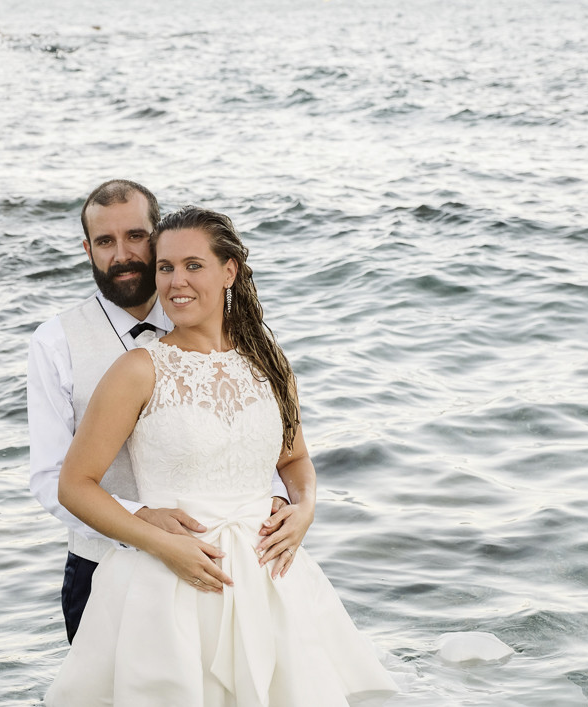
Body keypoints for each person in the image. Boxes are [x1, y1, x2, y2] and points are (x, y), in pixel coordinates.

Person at [45, 206, 398, 705]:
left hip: (271, 583)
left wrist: (304, 509)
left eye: (194, 265)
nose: (176, 282)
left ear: (228, 271)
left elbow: (294, 460)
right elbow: (74, 485)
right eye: (165, 267)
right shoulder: (138, 369)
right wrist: (162, 545)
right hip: (172, 586)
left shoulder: (269, 363)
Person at [27, 181, 306, 644]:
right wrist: (142, 520)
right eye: (105, 241)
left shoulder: (236, 339)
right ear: (88, 249)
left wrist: (283, 504)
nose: (122, 255)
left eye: (136, 236)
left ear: (157, 237)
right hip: (105, 567)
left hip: (241, 566)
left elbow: (266, 445)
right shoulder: (57, 342)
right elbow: (52, 478)